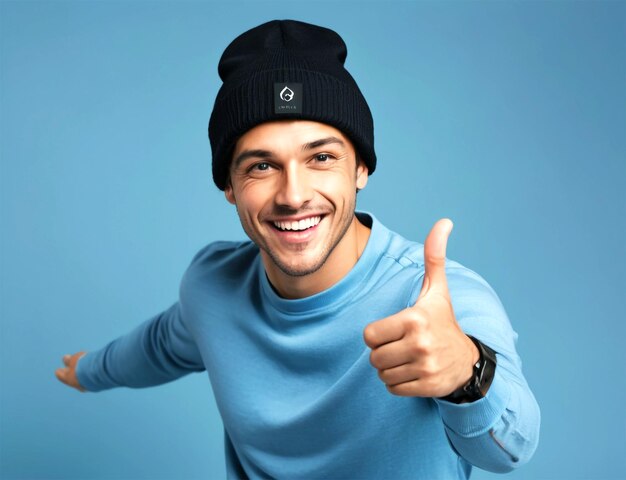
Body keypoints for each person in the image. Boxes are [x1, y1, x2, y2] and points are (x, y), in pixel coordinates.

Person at [55, 19, 540, 479]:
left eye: (321, 158)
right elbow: (162, 345)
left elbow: (512, 446)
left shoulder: (438, 300)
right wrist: (89, 371)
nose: (293, 194)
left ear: (360, 169)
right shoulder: (212, 284)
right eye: (261, 166)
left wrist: (466, 373)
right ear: (229, 185)